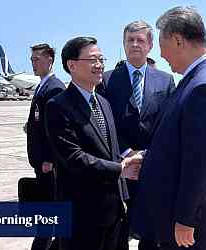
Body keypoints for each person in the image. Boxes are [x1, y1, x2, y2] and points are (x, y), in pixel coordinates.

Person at [130, 7, 206, 250]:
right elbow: (183, 143)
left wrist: (185, 219)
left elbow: (199, 163)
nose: (162, 56)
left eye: (163, 47)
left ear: (178, 41)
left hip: (184, 225)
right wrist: (148, 157)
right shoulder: (202, 77)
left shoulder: (204, 86)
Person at [45, 36, 141, 250]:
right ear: (71, 65)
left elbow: (110, 151)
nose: (99, 65)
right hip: (81, 215)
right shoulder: (58, 106)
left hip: (114, 214)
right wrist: (120, 169)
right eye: (92, 60)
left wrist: (128, 165)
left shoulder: (104, 103)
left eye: (101, 59)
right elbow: (74, 158)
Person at [100, 20, 175, 250]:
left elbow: (168, 124)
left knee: (151, 235)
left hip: (153, 168)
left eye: (140, 40)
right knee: (118, 231)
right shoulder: (107, 79)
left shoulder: (165, 80)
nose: (135, 44)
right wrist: (127, 154)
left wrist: (147, 155)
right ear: (123, 44)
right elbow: (104, 124)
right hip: (120, 168)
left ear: (150, 45)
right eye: (130, 40)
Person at [26, 43, 65, 250]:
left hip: (48, 165)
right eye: (32, 59)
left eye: (37, 59)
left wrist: (50, 158)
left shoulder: (55, 87)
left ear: (50, 60)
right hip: (40, 162)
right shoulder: (43, 85)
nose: (33, 63)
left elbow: (57, 128)